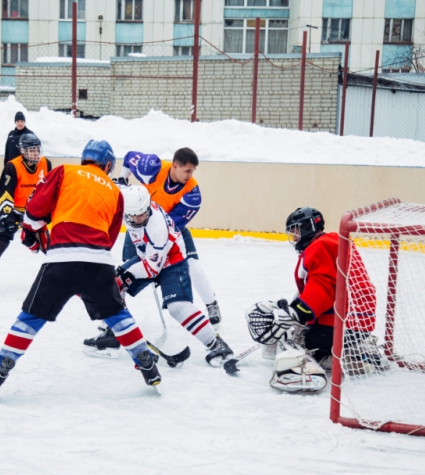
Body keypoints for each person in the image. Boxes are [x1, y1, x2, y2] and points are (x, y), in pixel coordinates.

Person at [0, 140, 161, 402]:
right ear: (108, 165)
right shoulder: (115, 191)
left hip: (62, 260)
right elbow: (108, 238)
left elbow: (35, 209)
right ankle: (146, 364)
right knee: (117, 314)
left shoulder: (64, 171)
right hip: (100, 262)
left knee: (30, 317)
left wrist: (32, 233)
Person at [83, 186, 234, 367]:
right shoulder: (126, 204)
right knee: (113, 287)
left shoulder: (157, 227)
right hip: (147, 256)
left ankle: (217, 345)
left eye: (141, 215)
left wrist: (125, 277)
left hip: (172, 260)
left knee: (177, 307)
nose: (137, 220)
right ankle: (113, 334)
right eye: (133, 216)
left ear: (148, 208)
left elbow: (152, 269)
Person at [243, 207, 381, 393]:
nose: (294, 236)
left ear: (308, 227)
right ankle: (355, 351)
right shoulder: (333, 241)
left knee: (292, 338)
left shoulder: (319, 247)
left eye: (296, 230)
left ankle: (317, 365)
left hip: (341, 325)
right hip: (357, 323)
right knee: (297, 326)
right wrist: (298, 305)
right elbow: (329, 284)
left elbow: (321, 288)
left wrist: (297, 312)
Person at [116, 148, 222, 328]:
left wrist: (160, 265)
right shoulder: (152, 169)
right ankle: (118, 315)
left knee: (194, 267)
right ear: (175, 165)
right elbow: (128, 158)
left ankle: (212, 304)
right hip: (138, 225)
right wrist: (121, 179)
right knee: (127, 271)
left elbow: (168, 228)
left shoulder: (192, 193)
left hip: (171, 231)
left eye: (192, 171)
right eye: (187, 171)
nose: (190, 175)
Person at [0, 133, 52, 295]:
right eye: (31, 150)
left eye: (37, 149)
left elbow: (48, 191)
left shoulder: (46, 164)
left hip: (30, 211)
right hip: (9, 209)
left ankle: (66, 277)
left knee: (48, 244)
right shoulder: (12, 166)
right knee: (1, 241)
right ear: (23, 151)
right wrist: (7, 218)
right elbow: (4, 194)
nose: (35, 153)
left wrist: (47, 211)